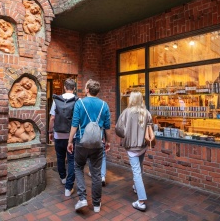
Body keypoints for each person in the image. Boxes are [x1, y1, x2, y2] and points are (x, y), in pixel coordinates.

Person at [67, 79, 111, 213]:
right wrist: (108, 142)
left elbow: (75, 124)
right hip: (98, 143)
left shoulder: (80, 103)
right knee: (96, 173)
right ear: (97, 91)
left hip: (81, 141)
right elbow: (108, 127)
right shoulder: (104, 105)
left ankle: (82, 198)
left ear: (87, 90)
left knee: (78, 167)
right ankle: (97, 204)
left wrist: (70, 141)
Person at [115, 91, 153, 212]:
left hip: (131, 147)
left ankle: (141, 201)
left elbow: (118, 129)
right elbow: (150, 128)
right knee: (139, 169)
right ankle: (137, 187)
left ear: (131, 99)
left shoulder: (126, 112)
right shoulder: (146, 113)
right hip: (143, 147)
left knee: (136, 172)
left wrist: (125, 134)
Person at [49, 79, 79, 197]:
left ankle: (62, 177)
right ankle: (68, 187)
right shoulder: (78, 100)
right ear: (74, 88)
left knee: (60, 157)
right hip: (72, 136)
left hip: (58, 135)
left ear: (64, 88)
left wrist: (51, 131)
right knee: (72, 160)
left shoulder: (57, 100)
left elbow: (52, 118)